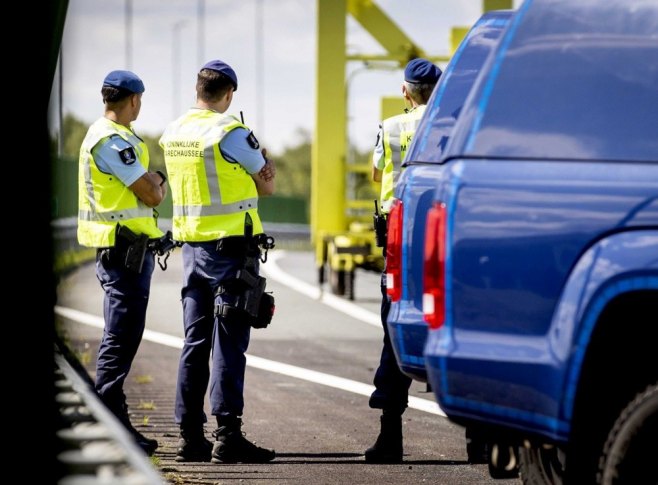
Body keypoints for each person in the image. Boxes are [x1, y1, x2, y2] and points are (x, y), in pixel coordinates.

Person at [160, 59, 276, 464]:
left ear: (198, 91)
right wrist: (262, 159)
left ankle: (190, 436)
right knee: (228, 343)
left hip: (191, 250)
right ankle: (227, 435)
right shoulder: (230, 131)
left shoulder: (172, 132)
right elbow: (268, 184)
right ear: (229, 95)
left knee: (194, 342)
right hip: (230, 253)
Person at [77, 70, 168, 455]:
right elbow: (150, 193)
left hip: (128, 252)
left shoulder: (116, 137)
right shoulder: (111, 141)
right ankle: (110, 422)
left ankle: (115, 419)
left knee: (125, 336)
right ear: (134, 100)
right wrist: (158, 179)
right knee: (120, 337)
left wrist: (153, 180)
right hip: (122, 254)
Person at [367, 58, 441, 463]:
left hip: (402, 239)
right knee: (454, 326)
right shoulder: (458, 123)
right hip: (449, 237)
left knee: (395, 330)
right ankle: (480, 443)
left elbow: (378, 175)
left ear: (405, 91)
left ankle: (389, 439)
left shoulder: (392, 127)